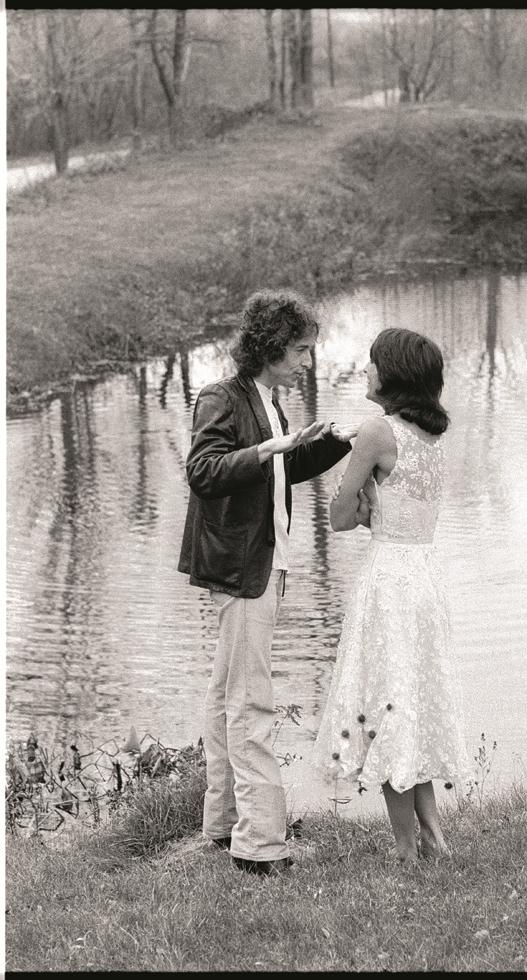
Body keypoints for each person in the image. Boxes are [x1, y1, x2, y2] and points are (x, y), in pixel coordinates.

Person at [178, 289, 355, 876]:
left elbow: (279, 468)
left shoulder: (268, 398)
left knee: (226, 693)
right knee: (249, 701)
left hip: (264, 561)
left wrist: (331, 443)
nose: (307, 362)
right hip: (239, 566)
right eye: (301, 350)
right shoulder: (220, 397)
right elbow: (203, 473)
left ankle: (226, 825)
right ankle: (260, 845)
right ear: (271, 346)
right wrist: (267, 447)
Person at [312, 327, 473, 864]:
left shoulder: (377, 433)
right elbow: (396, 501)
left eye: (373, 363)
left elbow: (338, 518)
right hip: (424, 577)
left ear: (393, 376)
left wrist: (356, 493)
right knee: (411, 702)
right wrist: (371, 501)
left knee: (384, 705)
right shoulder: (429, 435)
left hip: (387, 584)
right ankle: (434, 839)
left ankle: (406, 849)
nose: (366, 370)